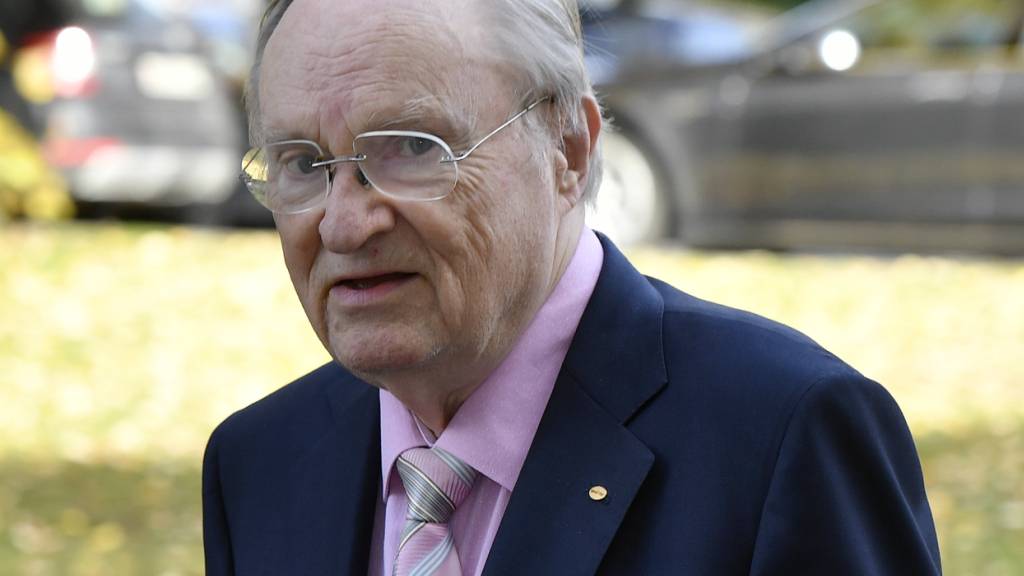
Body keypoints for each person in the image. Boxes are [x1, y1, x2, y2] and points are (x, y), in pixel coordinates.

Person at [202, 0, 942, 574]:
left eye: (411, 149)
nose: (342, 224)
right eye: (301, 163)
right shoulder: (258, 464)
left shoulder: (783, 437)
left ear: (569, 149)